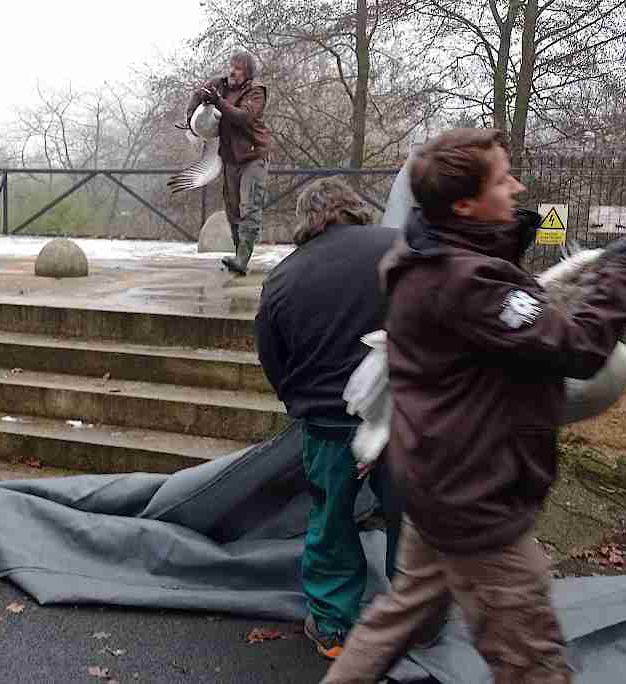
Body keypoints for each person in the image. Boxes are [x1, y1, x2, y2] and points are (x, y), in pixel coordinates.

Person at [321, 128, 626, 683]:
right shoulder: (469, 281)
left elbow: (517, 327)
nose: (517, 187)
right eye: (502, 180)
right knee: (534, 664)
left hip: (437, 481)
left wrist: (619, 252)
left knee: (396, 617)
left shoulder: (425, 254)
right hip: (478, 502)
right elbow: (578, 348)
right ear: (464, 204)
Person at [255, 177, 404, 660]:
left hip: (327, 420)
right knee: (411, 515)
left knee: (331, 518)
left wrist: (299, 401)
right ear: (355, 208)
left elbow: (272, 356)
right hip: (401, 415)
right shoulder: (397, 247)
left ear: (306, 218)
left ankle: (332, 627)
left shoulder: (282, 277)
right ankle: (416, 620)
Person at [186, 51, 272, 275]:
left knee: (250, 207)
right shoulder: (220, 84)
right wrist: (191, 120)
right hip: (230, 158)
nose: (232, 71)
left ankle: (243, 258)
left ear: (248, 72)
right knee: (232, 209)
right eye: (232, 66)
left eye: (239, 68)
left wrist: (218, 102)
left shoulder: (256, 91)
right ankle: (237, 254)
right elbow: (198, 94)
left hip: (253, 157)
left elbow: (243, 117)